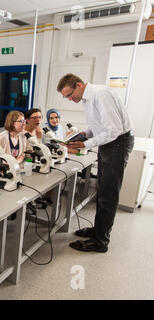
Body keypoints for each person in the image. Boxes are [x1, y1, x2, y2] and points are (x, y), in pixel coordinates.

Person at [57, 73, 134, 253]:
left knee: (108, 193)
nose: (70, 99)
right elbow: (99, 124)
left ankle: (100, 241)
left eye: (69, 95)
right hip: (110, 144)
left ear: (78, 85)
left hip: (117, 143)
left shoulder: (101, 95)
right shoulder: (88, 98)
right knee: (103, 190)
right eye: (66, 97)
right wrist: (85, 134)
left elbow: (113, 130)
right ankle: (97, 231)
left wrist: (86, 144)